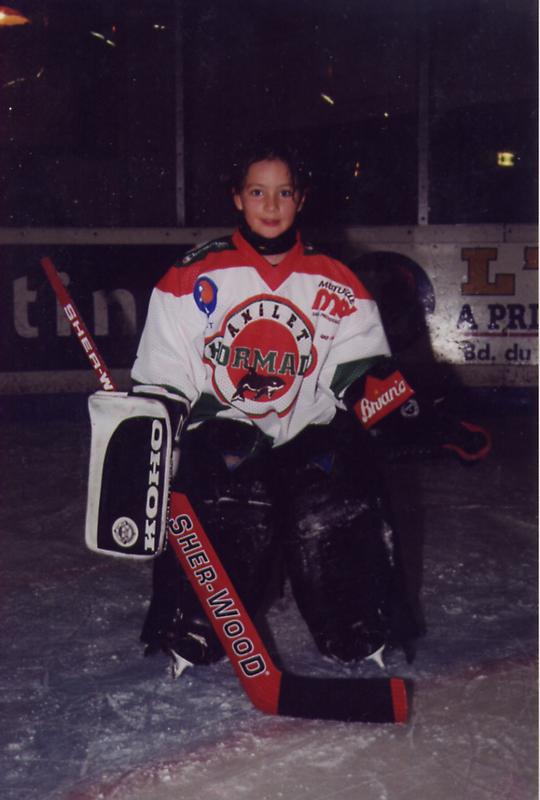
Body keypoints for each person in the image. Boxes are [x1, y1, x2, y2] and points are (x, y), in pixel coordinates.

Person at [131, 138, 489, 671]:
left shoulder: (336, 281)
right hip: (227, 429)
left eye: (283, 193)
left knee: (339, 485)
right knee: (226, 483)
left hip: (308, 431)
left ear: (301, 199)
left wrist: (414, 417)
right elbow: (165, 370)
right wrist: (154, 419)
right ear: (237, 197)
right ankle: (195, 626)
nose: (270, 206)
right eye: (257, 192)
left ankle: (356, 628)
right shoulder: (191, 276)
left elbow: (358, 371)